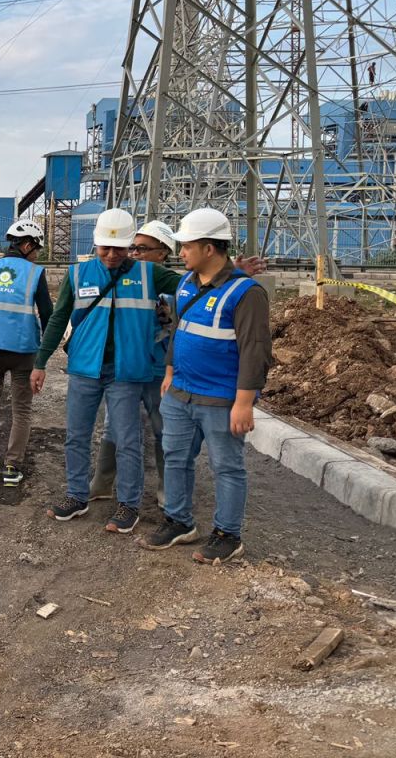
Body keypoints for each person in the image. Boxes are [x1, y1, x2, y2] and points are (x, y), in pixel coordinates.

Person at [90, 221, 268, 507]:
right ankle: (102, 482)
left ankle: (166, 490)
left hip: (159, 367)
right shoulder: (122, 279)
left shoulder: (176, 284)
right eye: (132, 247)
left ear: (162, 253)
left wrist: (233, 273)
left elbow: (211, 287)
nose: (134, 254)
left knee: (164, 429)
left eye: (142, 249)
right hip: (128, 365)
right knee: (114, 426)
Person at [142, 208, 272, 564]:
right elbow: (179, 331)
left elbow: (255, 351)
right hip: (180, 392)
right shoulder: (186, 283)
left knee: (226, 466)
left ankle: (228, 534)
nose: (181, 252)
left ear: (209, 248)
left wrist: (243, 403)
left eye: (186, 246)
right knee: (176, 457)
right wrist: (170, 371)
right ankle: (179, 522)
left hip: (220, 398)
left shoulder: (247, 293)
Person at [31, 208, 173, 534]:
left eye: (119, 248)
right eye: (105, 248)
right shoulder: (78, 274)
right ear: (95, 244)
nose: (111, 255)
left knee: (127, 440)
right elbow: (58, 318)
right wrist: (40, 362)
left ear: (129, 246)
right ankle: (76, 495)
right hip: (85, 368)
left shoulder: (150, 274)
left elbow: (197, 284)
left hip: (126, 372)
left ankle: (129, 504)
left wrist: (232, 272)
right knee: (76, 436)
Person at [0, 218, 51, 486]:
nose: (37, 254)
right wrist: (45, 352)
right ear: (26, 245)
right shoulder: (35, 273)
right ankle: (12, 468)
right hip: (23, 350)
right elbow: (47, 314)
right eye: (36, 248)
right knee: (21, 408)